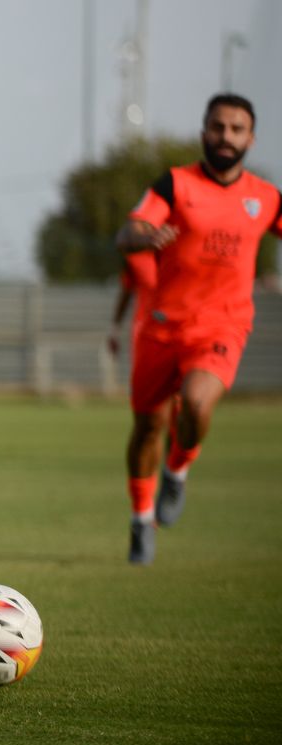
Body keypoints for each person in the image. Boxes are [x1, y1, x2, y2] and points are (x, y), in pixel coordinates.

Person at [114, 93, 282, 565]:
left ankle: (179, 467)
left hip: (223, 325)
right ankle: (141, 519)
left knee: (197, 401)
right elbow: (126, 232)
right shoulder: (174, 184)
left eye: (236, 129)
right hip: (162, 327)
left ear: (251, 137)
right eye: (218, 127)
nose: (225, 137)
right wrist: (145, 234)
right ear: (204, 131)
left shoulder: (265, 197)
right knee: (147, 427)